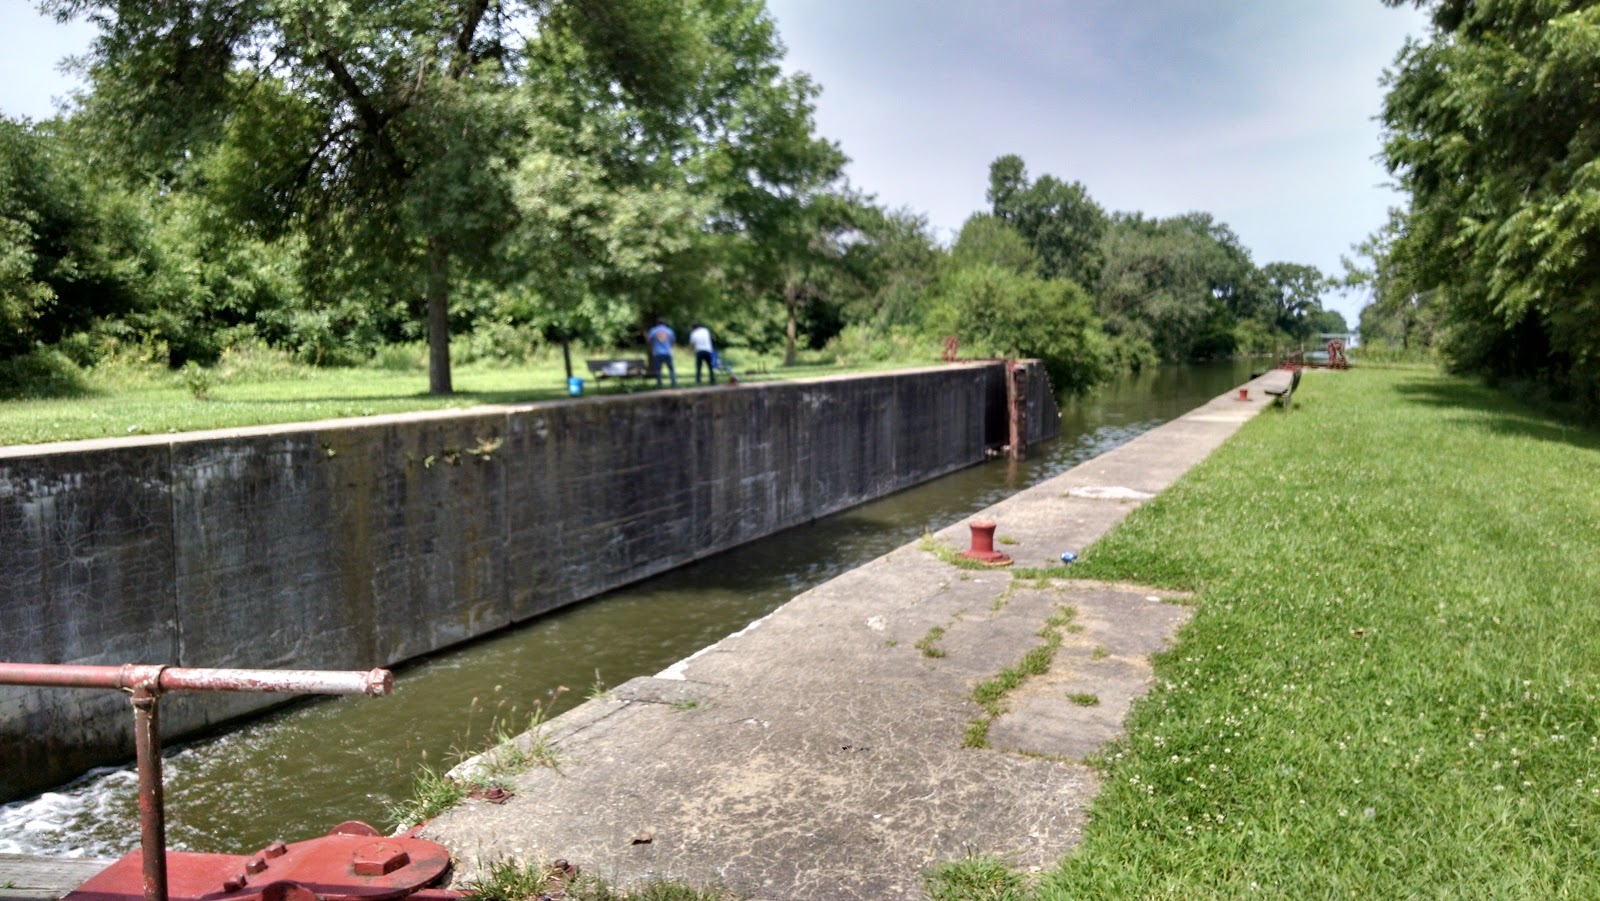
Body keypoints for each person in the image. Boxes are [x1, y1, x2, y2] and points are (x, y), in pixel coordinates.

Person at [647, 319, 677, 387]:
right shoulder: (669, 330)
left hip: (657, 353)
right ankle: (673, 383)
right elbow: (673, 340)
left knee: (658, 370)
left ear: (657, 323)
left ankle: (660, 384)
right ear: (664, 323)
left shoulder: (653, 330)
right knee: (671, 369)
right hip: (667, 352)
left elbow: (648, 339)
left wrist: (653, 344)